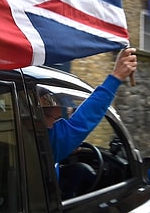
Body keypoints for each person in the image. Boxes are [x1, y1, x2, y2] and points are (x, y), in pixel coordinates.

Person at [38, 47, 137, 196]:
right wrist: (116, 77)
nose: (57, 125)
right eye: (53, 118)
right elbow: (84, 119)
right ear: (34, 116)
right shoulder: (46, 141)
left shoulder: (19, 139)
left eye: (60, 119)